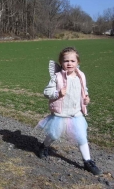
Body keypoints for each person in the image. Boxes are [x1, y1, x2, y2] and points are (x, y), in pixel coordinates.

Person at [36, 47, 101, 175]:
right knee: (54, 134)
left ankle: (87, 161)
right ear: (61, 63)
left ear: (78, 62)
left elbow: (84, 90)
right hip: (61, 113)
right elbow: (46, 92)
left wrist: (86, 98)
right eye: (66, 61)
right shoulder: (57, 77)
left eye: (72, 61)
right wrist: (57, 93)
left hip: (76, 113)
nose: (69, 63)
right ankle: (43, 147)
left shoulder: (81, 76)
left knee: (82, 137)